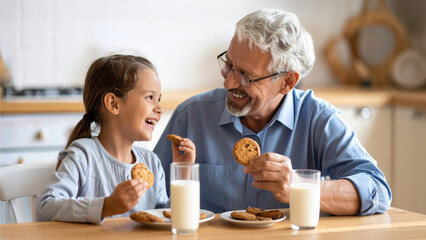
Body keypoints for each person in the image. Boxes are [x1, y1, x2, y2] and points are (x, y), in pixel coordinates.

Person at [153, 9, 391, 216]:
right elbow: (151, 196)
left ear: (287, 82)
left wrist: (299, 186)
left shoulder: (318, 119)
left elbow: (377, 190)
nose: (228, 83)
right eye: (229, 66)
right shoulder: (192, 115)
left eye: (245, 75)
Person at [36, 54, 196, 224]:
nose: (159, 108)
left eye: (159, 99)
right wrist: (105, 206)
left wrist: (183, 175)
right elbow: (45, 208)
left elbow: (168, 219)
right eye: (150, 97)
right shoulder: (83, 156)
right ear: (113, 104)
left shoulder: (152, 163)